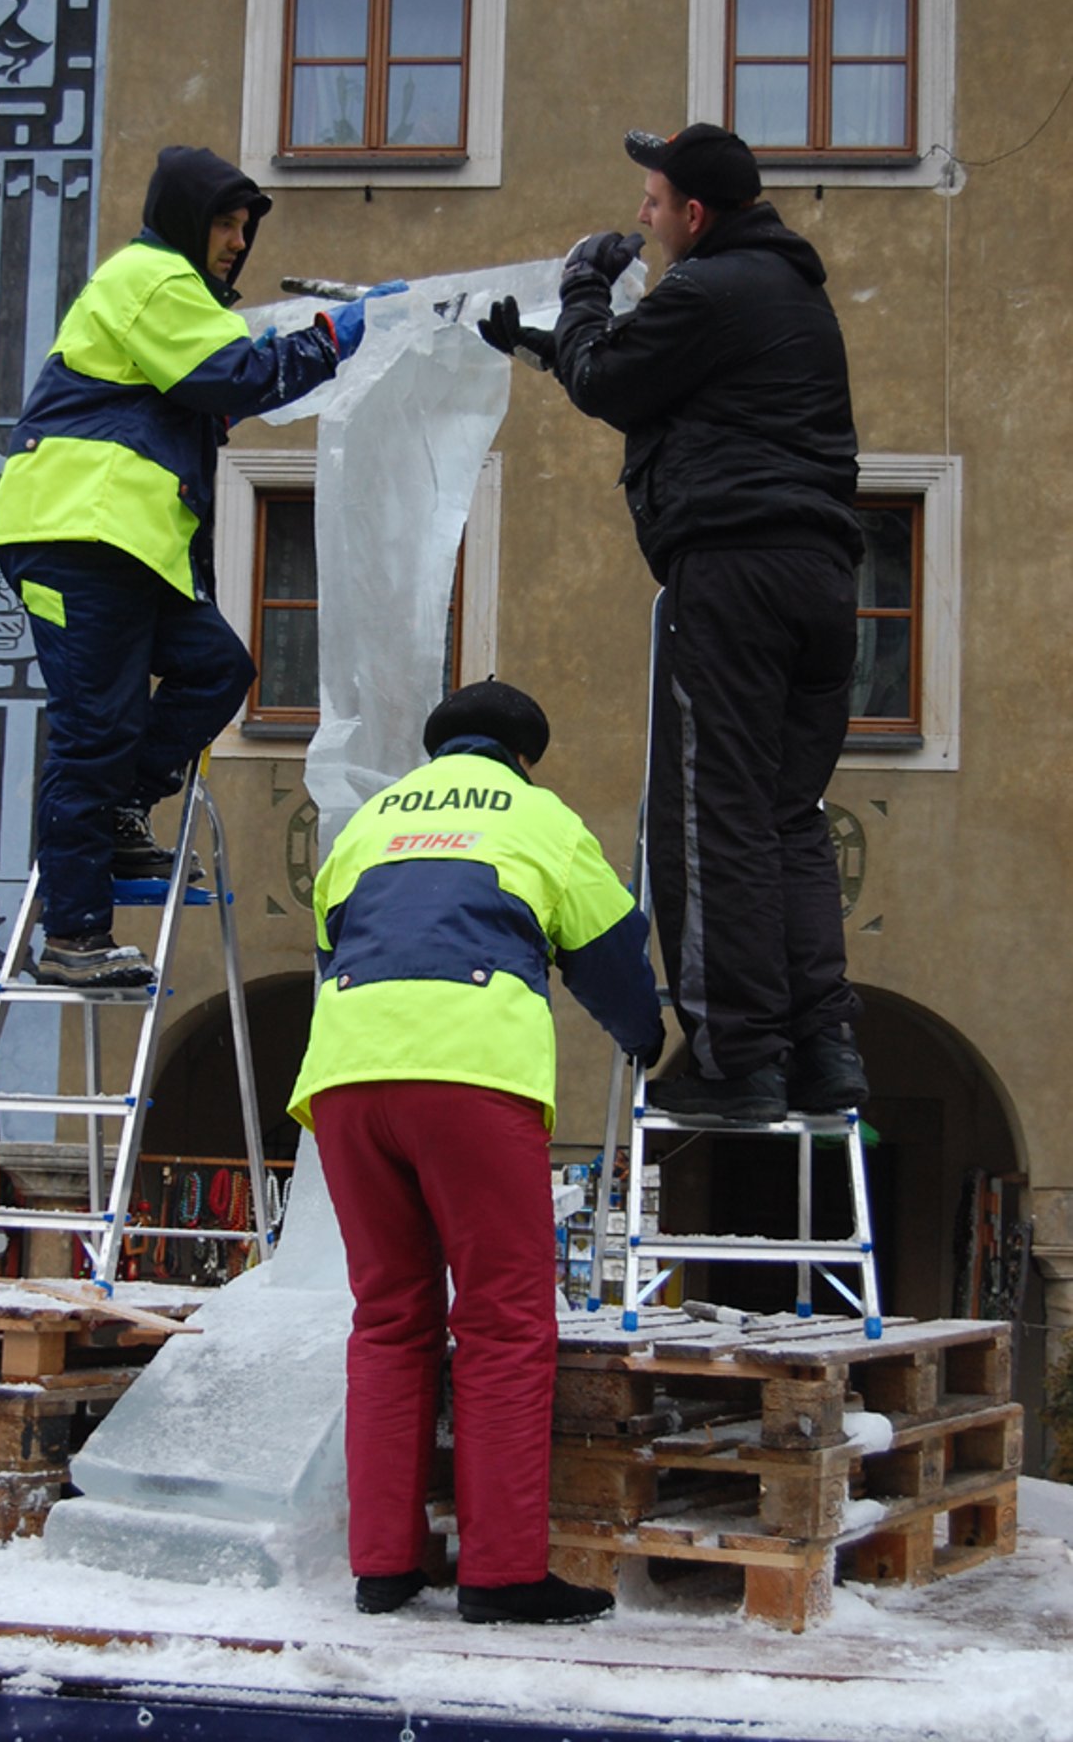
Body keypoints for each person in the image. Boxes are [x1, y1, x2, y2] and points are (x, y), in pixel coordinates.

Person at [479, 123, 867, 1124]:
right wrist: (546, 346)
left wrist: (580, 291)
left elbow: (612, 381)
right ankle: (821, 1050)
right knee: (786, 819)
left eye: (653, 204)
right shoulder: (787, 291)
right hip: (821, 583)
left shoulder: (710, 287)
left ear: (695, 214)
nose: (643, 219)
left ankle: (738, 1058)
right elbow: (661, 388)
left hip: (734, 577)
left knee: (710, 816)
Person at [288, 679, 663, 1625]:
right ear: (524, 755)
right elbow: (611, 951)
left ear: (437, 749)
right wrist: (648, 1037)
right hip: (470, 1075)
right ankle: (500, 1573)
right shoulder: (540, 818)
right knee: (502, 1321)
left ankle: (383, 1565)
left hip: (346, 1077)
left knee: (388, 1317)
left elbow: (332, 947)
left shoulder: (369, 824)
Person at [0, 144, 401, 987]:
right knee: (93, 733)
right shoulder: (153, 278)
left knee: (217, 669)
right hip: (81, 533)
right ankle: (73, 938)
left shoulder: (174, 298)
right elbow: (235, 377)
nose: (238, 242)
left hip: (127, 544)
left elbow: (204, 393)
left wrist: (306, 350)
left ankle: (119, 809)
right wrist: (336, 336)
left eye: (245, 227)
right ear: (185, 219)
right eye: (225, 223)